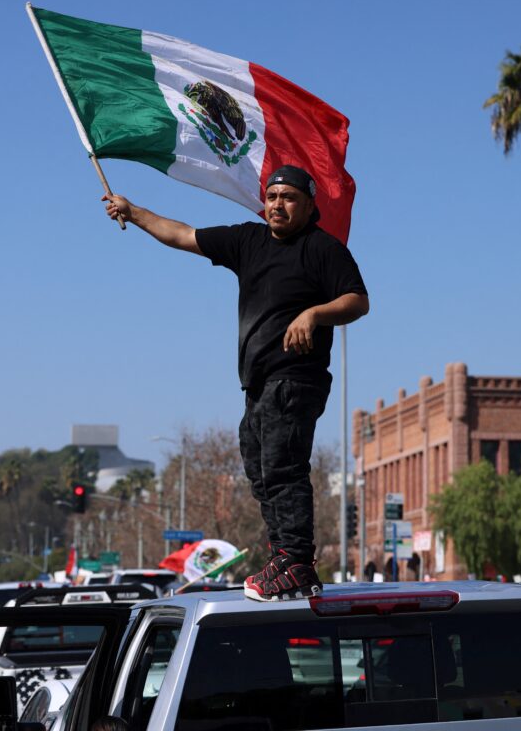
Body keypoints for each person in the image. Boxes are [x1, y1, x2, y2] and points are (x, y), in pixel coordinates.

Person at [104, 165, 368, 601]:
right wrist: (134, 212)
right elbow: (182, 235)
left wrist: (314, 314)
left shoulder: (323, 249)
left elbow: (358, 300)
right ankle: (283, 556)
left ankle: (298, 562)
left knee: (284, 467)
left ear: (308, 205)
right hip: (257, 383)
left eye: (288, 198)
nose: (277, 205)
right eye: (272, 197)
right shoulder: (249, 240)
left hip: (295, 378)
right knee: (259, 468)